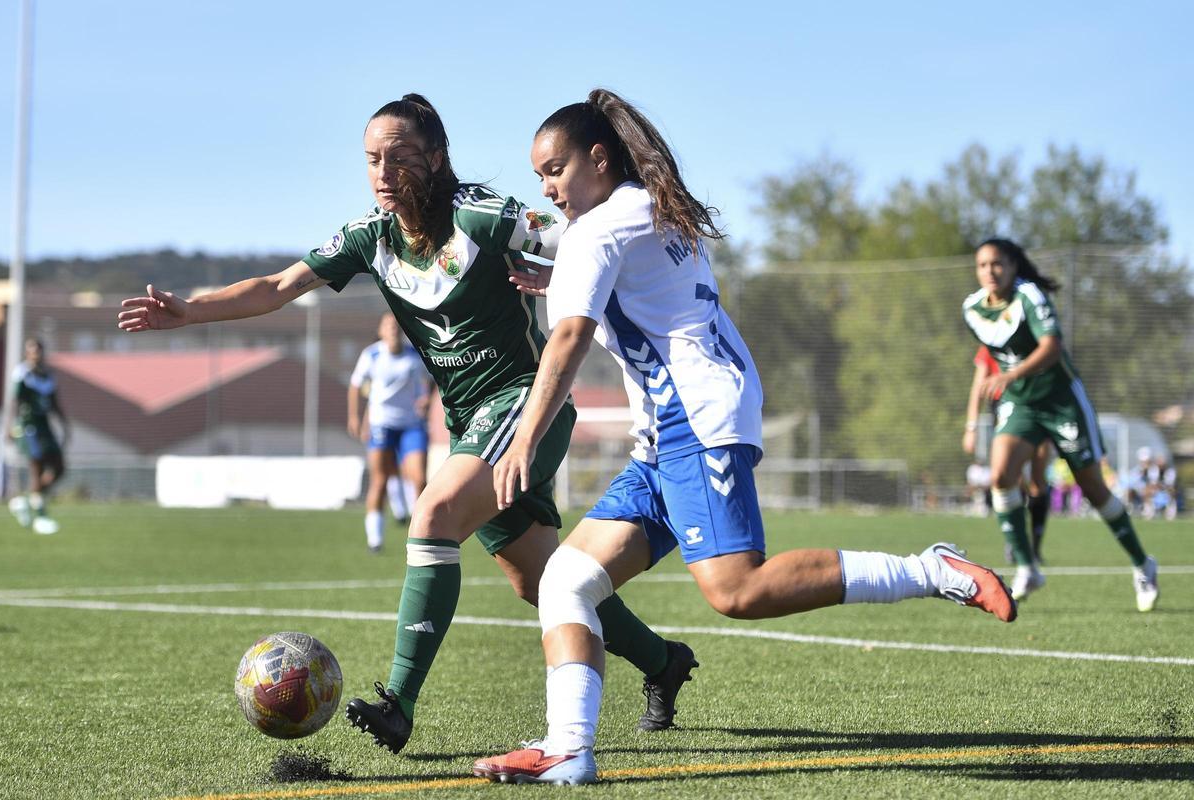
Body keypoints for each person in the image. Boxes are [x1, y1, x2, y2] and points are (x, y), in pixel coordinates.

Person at [117, 94, 696, 755]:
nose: (383, 172)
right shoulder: (371, 236)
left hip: (524, 402)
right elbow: (280, 286)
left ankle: (399, 701)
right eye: (372, 159)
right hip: (467, 420)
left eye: (399, 156)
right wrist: (190, 311)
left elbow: (590, 234)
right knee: (540, 582)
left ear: (438, 158)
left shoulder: (484, 214)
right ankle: (662, 661)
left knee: (433, 514)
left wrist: (572, 268)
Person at [471, 89, 1016, 786]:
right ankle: (569, 748)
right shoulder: (647, 207)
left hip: (695, 423)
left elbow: (572, 336)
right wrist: (561, 275)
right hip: (676, 427)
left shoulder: (598, 231)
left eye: (555, 171)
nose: (547, 190)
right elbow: (640, 297)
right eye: (539, 177)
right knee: (567, 581)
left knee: (738, 590)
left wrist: (523, 440)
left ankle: (932, 570)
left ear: (598, 159)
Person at [961, 237, 1159, 609]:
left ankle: (1142, 563)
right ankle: (1026, 566)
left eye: (997, 263)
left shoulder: (1031, 297)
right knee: (1000, 475)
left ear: (1013, 265)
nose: (990, 271)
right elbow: (991, 351)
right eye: (983, 265)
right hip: (1021, 404)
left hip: (1062, 402)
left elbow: (1051, 348)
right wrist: (974, 418)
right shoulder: (972, 309)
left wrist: (1009, 375)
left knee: (1094, 491)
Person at [348, 312, 434, 551]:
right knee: (380, 480)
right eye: (388, 326)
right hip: (382, 424)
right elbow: (356, 386)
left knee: (418, 479)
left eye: (397, 325)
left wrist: (427, 398)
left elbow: (432, 379)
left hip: (411, 425)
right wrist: (355, 417)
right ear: (381, 331)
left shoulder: (415, 355)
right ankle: (375, 539)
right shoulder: (372, 355)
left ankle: (422, 537)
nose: (393, 329)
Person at [963, 345, 1053, 562]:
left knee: (1038, 481)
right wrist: (971, 427)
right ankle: (1015, 542)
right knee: (1010, 478)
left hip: (1038, 405)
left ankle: (1035, 547)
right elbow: (979, 385)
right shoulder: (991, 340)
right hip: (1006, 409)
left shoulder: (1036, 337)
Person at [4, 338, 68, 535]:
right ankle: (40, 516)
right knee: (37, 466)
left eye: (38, 350)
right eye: (32, 350)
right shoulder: (22, 373)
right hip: (28, 425)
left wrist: (65, 423)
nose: (36, 354)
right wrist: (10, 426)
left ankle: (24, 500)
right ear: (27, 353)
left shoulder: (48, 375)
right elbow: (15, 401)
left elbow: (54, 401)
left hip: (44, 425)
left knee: (58, 468)